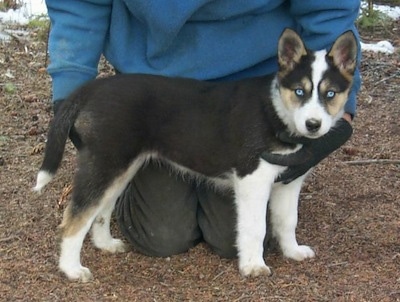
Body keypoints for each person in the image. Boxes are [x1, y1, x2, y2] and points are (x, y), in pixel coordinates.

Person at [45, 0, 361, 259]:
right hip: (155, 96)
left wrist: (337, 109)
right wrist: (70, 93)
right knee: (163, 236)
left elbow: (329, 9)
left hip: (257, 88)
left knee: (229, 239)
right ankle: (124, 187)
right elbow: (79, 5)